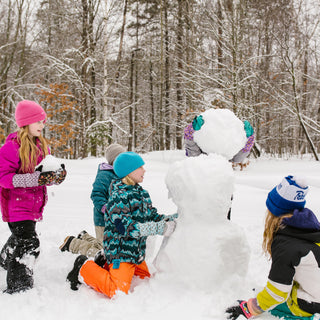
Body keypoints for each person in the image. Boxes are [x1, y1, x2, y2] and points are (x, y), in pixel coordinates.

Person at [66, 151, 178, 298]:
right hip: (121, 253)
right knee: (117, 291)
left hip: (136, 254)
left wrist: (174, 218)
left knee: (145, 283)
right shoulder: (118, 197)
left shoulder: (142, 194)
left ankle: (104, 266)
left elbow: (153, 216)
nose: (144, 170)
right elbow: (125, 228)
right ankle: (84, 267)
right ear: (129, 171)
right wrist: (159, 228)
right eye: (140, 167)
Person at [226, 175, 320, 320]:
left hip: (313, 304)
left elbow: (277, 293)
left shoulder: (287, 246)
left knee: (275, 305)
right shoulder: (311, 229)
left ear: (274, 212)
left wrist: (248, 308)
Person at [0, 100, 67, 294]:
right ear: (26, 123)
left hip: (33, 206)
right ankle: (18, 286)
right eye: (38, 121)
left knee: (21, 238)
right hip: (16, 206)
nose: (42, 125)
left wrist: (54, 177)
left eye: (43, 121)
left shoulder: (41, 147)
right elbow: (4, 179)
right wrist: (35, 179)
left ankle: (5, 258)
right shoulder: (10, 148)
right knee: (29, 243)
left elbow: (41, 176)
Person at [59, 143, 126, 257]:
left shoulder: (121, 175)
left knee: (109, 245)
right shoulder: (105, 175)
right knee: (105, 252)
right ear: (113, 160)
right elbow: (96, 194)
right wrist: (105, 208)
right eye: (121, 159)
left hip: (117, 220)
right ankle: (72, 244)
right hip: (103, 219)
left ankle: (85, 237)